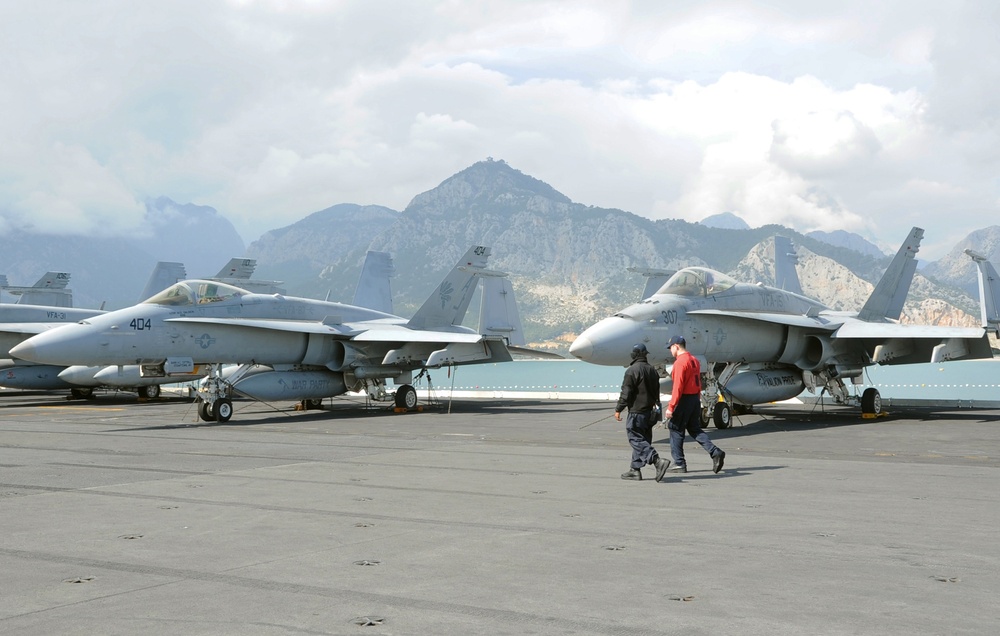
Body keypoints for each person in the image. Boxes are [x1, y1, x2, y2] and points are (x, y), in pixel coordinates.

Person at [664, 335, 726, 474]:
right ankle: (714, 451)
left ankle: (679, 463)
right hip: (694, 399)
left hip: (684, 400)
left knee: (675, 429)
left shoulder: (680, 362)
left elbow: (678, 387)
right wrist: (697, 399)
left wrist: (671, 407)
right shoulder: (694, 360)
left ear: (676, 346)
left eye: (671, 348)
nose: (670, 351)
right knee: (695, 429)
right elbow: (698, 382)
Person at [614, 343, 671, 482]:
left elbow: (626, 393)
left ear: (636, 354)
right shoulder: (652, 370)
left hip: (636, 412)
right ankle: (635, 469)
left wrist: (618, 409)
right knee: (643, 440)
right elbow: (656, 392)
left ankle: (657, 460)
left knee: (635, 438)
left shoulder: (631, 370)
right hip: (650, 412)